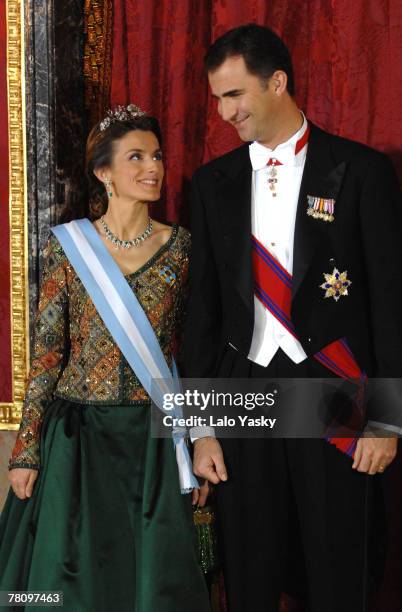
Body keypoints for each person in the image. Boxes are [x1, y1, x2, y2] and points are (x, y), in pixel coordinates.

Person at [183, 24, 402, 612]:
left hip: (333, 383)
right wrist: (198, 427)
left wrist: (385, 419)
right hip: (243, 385)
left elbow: (390, 302)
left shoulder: (361, 172)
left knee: (338, 563)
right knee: (248, 565)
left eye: (234, 95)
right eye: (217, 99)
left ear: (277, 82)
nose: (225, 112)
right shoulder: (210, 184)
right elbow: (200, 313)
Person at [0, 105, 210, 612]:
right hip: (78, 440)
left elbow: (195, 350)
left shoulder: (183, 247)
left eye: (157, 156)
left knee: (150, 581)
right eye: (135, 157)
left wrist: (200, 435)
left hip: (154, 442)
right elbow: (48, 357)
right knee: (68, 583)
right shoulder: (69, 247)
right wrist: (26, 450)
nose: (153, 168)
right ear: (103, 172)